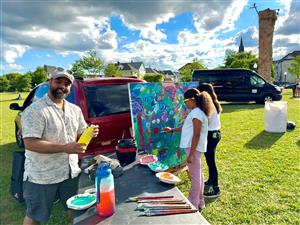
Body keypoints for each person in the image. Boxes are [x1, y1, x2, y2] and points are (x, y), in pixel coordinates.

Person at [21, 70, 99, 225]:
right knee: (35, 215)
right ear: (50, 82)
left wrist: (90, 132)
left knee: (74, 209)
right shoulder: (35, 110)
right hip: (42, 175)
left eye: (66, 84)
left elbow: (80, 131)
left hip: (70, 172)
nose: (62, 86)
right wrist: (65, 147)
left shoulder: (74, 109)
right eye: (58, 82)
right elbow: (30, 142)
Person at [164, 88, 214, 210]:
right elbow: (187, 127)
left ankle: (192, 204)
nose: (184, 103)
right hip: (195, 149)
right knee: (199, 176)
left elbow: (196, 135)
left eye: (185, 100)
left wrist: (191, 155)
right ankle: (200, 201)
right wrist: (172, 130)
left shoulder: (196, 113)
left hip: (193, 149)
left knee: (195, 177)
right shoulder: (197, 112)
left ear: (192, 99)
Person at [197, 83, 222, 198]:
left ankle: (216, 189)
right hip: (216, 134)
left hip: (211, 135)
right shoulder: (214, 102)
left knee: (211, 162)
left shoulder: (208, 104)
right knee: (210, 160)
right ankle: (211, 180)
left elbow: (203, 122)